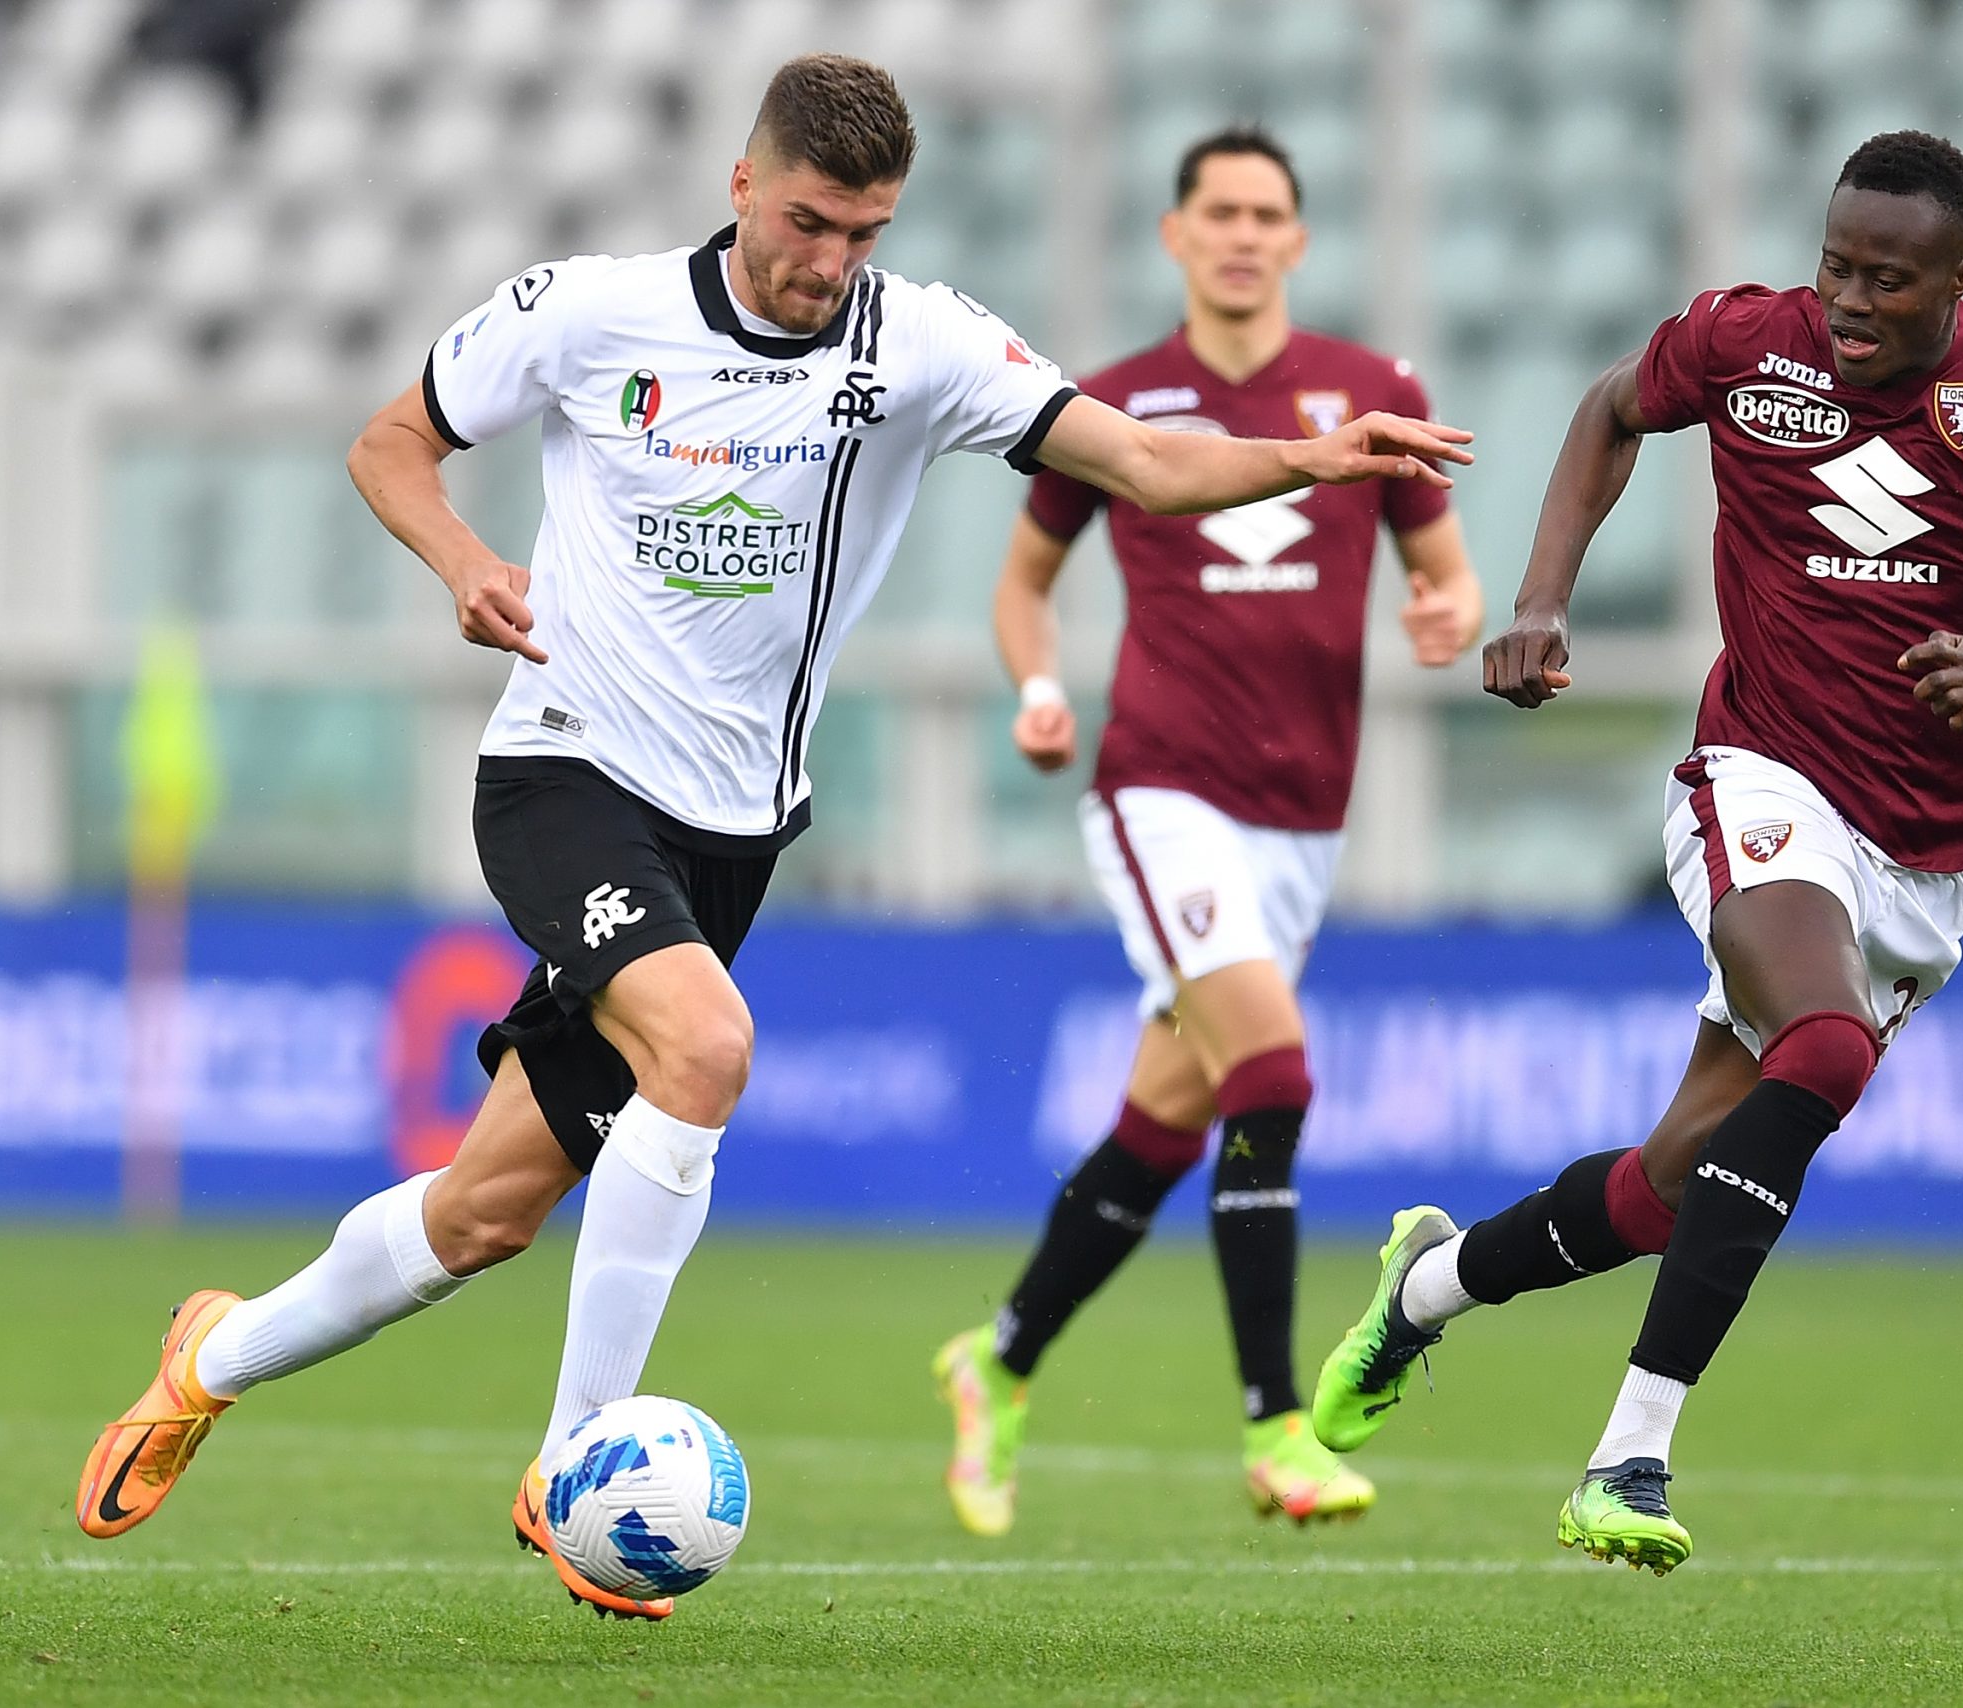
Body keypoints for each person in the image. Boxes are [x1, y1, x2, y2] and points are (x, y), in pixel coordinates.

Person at [72, 54, 1471, 1621]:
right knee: (708, 1048)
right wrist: (464, 562)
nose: (830, 262)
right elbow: (391, 442)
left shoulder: (921, 342)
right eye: (808, 223)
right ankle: (573, 1461)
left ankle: (212, 1357)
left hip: (731, 833)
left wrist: (1304, 460)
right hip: (563, 773)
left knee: (484, 1212)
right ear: (743, 185)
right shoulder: (590, 313)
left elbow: (1140, 460)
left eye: (864, 233)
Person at [1309, 131, 1963, 1574]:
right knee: (1822, 1052)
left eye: (1889, 280)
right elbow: (1609, 408)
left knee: (1668, 1187)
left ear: (1960, 278)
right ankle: (1627, 1458)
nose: (1851, 302)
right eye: (1837, 266)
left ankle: (1426, 1289)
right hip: (1762, 774)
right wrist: (1541, 600)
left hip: (1927, 854)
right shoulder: (1744, 343)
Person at [930, 128, 1483, 1537]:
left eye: (1265, 214)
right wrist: (1039, 687)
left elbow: (1445, 570)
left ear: (1298, 240)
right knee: (1274, 1077)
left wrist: (1449, 613)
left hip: (1306, 815)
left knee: (1163, 1128)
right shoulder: (1114, 405)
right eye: (1218, 212)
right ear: (1175, 235)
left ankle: (999, 1360)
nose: (1242, 233)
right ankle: (1276, 1424)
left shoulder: (1374, 392)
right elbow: (1023, 584)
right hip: (1162, 788)